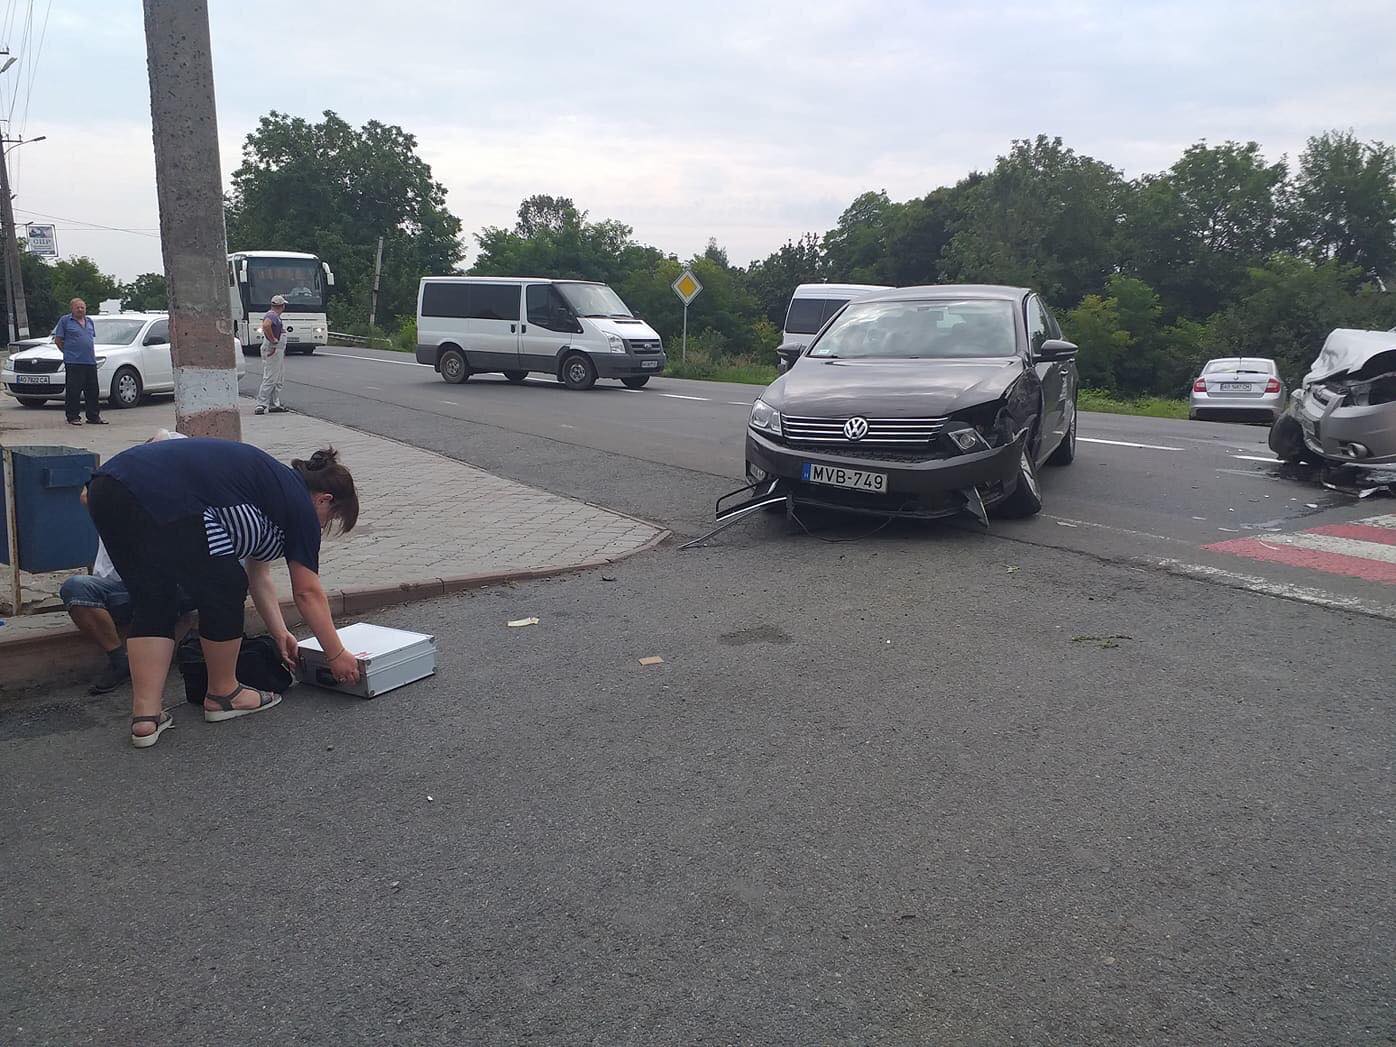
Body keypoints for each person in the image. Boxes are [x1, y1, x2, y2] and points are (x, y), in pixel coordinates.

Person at [86, 439, 362, 748]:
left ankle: (146, 718)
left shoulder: (269, 488)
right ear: (324, 500)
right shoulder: (299, 505)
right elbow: (307, 592)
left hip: (106, 490)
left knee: (154, 597)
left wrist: (280, 632)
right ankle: (224, 693)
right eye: (331, 519)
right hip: (161, 494)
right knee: (225, 586)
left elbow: (259, 574)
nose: (322, 527)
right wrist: (336, 655)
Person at [62, 429, 194, 694]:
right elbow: (88, 495)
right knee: (75, 588)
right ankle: (119, 660)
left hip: (165, 589)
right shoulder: (119, 487)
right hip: (118, 590)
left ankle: (174, 652)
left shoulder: (182, 497)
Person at [52, 297, 106, 426]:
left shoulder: (90, 321)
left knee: (93, 390)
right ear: (72, 308)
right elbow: (58, 340)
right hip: (74, 362)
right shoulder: (65, 321)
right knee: (74, 390)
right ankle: (73, 416)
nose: (80, 310)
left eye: (82, 307)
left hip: (90, 361)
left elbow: (89, 339)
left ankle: (93, 416)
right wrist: (68, 353)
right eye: (78, 307)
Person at [255, 294, 289, 415]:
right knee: (270, 377)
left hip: (277, 350)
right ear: (282, 306)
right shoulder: (272, 315)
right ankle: (261, 404)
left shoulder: (274, 316)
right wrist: (273, 340)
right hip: (273, 349)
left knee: (278, 378)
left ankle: (274, 404)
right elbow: (266, 326)